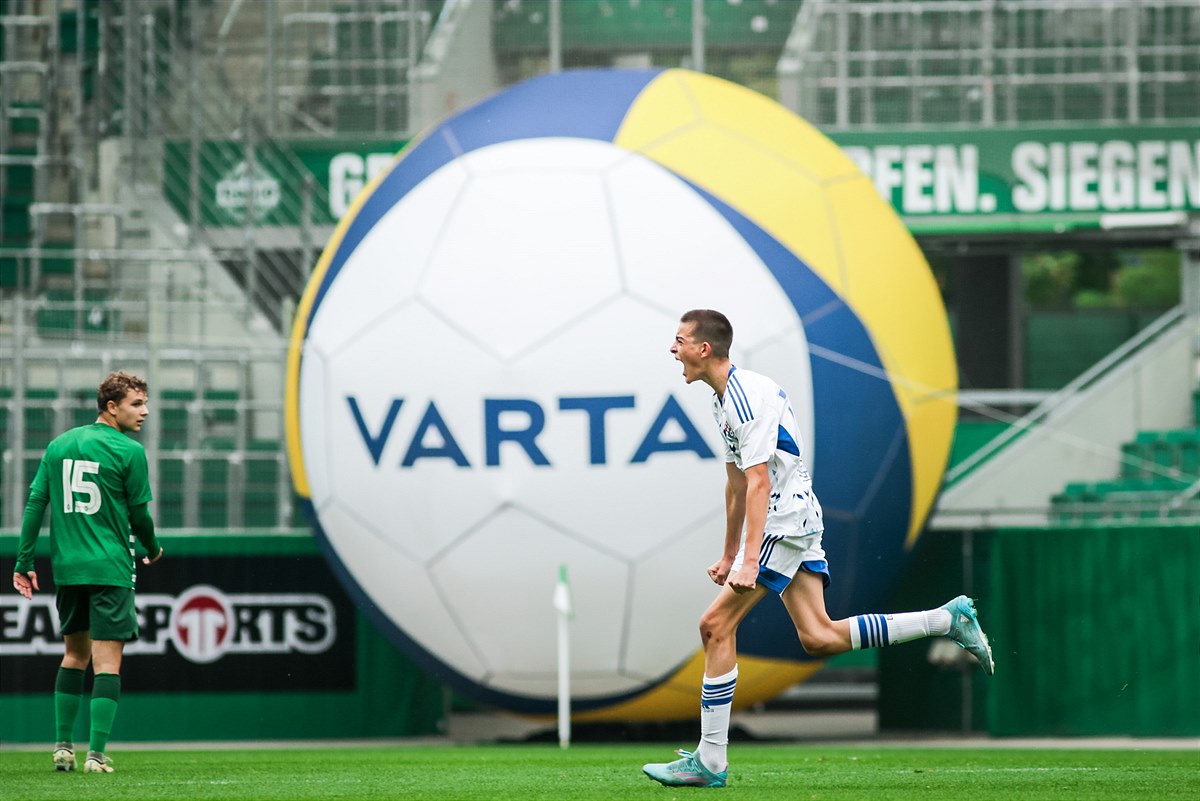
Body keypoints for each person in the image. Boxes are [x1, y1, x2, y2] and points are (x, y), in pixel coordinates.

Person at [643, 310, 993, 788]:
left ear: (704, 349)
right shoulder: (722, 402)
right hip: (794, 519)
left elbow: (760, 482)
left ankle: (711, 761)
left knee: (715, 625)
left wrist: (748, 559)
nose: (672, 348)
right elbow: (734, 485)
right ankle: (947, 619)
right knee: (819, 636)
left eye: (679, 340)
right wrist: (729, 555)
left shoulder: (746, 398)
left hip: (783, 522)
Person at [12, 371, 163, 774]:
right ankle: (96, 755)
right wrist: (153, 547)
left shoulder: (59, 445)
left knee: (74, 655)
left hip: (68, 568)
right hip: (110, 567)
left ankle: (62, 748)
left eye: (145, 403)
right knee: (108, 663)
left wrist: (23, 562)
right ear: (111, 407)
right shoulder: (129, 451)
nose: (145, 411)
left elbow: (35, 505)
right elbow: (139, 515)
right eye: (137, 404)